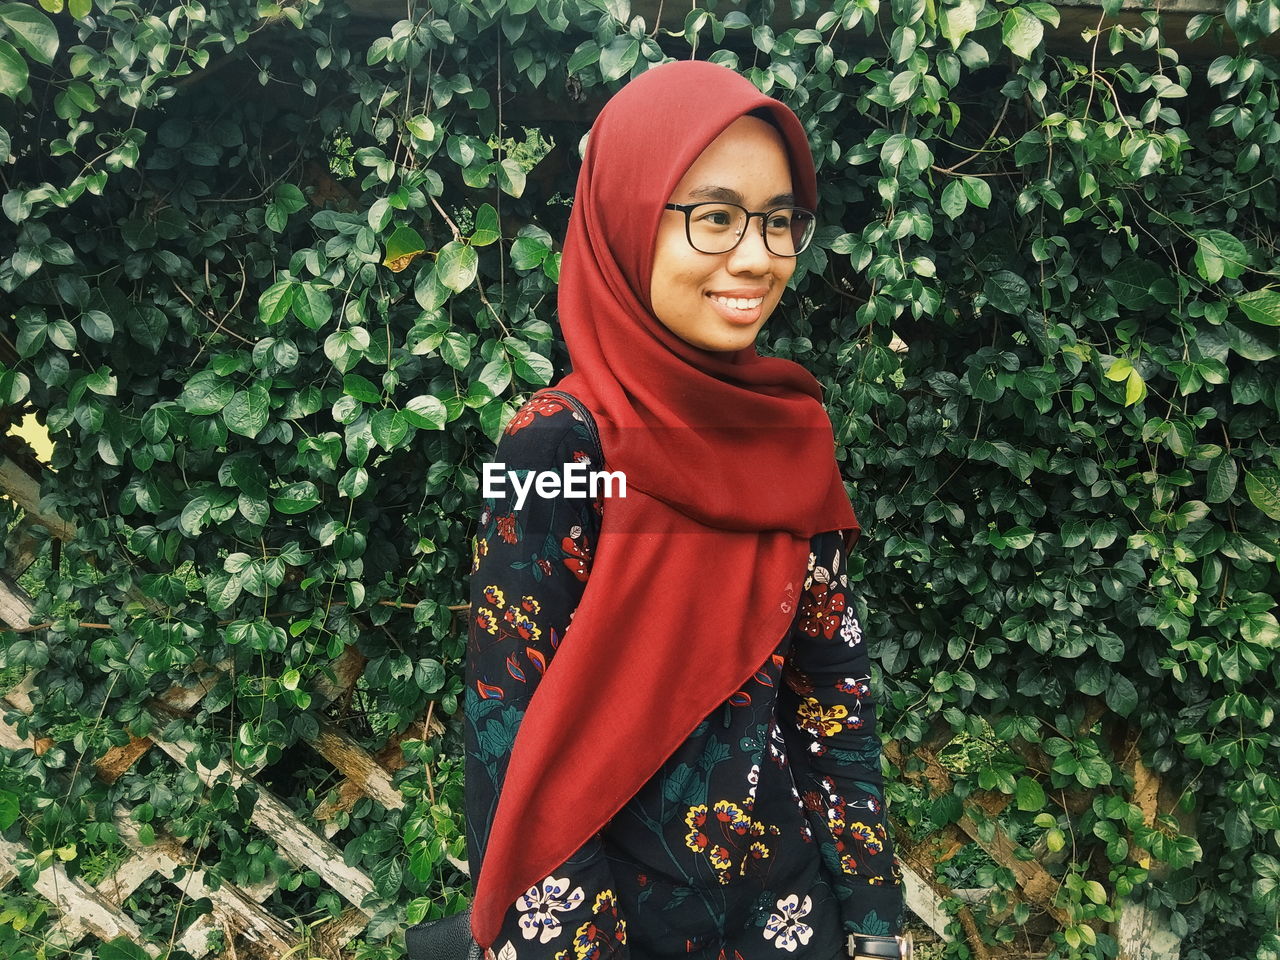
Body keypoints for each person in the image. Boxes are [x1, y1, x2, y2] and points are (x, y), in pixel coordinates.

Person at [464, 60, 905, 959]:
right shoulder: (556, 447)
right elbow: (507, 729)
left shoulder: (790, 436)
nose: (757, 256)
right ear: (627, 217)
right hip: (609, 926)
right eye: (713, 216)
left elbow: (830, 699)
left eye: (781, 221)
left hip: (788, 920)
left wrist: (870, 921)